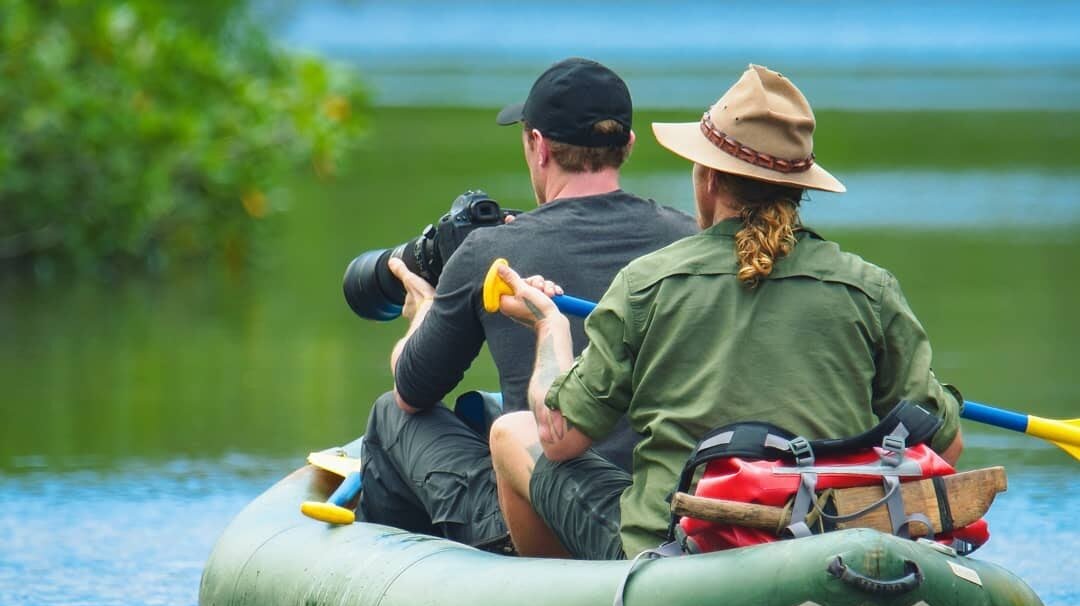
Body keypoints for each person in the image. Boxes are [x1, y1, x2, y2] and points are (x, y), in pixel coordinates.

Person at [489, 64, 964, 560]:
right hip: (826, 542)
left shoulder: (644, 283)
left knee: (513, 432)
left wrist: (550, 328)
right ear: (800, 188)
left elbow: (560, 437)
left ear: (709, 177)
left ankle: (566, 605)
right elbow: (942, 449)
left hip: (675, 550)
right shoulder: (870, 289)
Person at [357, 57, 698, 552]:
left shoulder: (490, 254)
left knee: (392, 414)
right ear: (626, 146)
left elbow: (413, 390)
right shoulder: (689, 240)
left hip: (534, 512)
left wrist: (423, 312)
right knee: (481, 414)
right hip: (660, 510)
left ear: (538, 146)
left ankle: (403, 582)